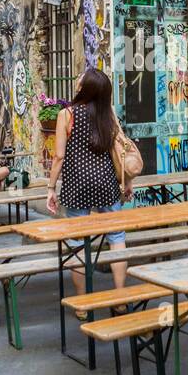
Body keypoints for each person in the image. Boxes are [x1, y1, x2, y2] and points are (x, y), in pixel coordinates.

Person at [46, 68, 127, 299]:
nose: (77, 81)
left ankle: (82, 300)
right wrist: (126, 181)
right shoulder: (108, 114)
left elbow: (59, 156)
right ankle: (121, 297)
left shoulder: (67, 115)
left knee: (77, 243)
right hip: (106, 182)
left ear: (86, 87)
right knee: (117, 238)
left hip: (76, 184)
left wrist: (51, 188)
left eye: (80, 79)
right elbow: (121, 149)